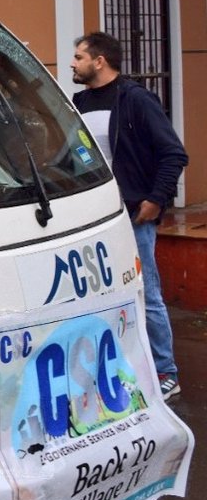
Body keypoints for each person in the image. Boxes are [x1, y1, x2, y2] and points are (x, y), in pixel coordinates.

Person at [71, 32, 187, 400]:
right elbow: (78, 157)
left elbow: (174, 154)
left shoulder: (135, 100)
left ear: (99, 61)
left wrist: (156, 200)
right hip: (96, 217)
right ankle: (117, 367)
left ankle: (166, 370)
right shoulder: (78, 102)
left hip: (134, 217)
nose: (72, 63)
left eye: (78, 57)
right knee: (102, 295)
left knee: (145, 293)